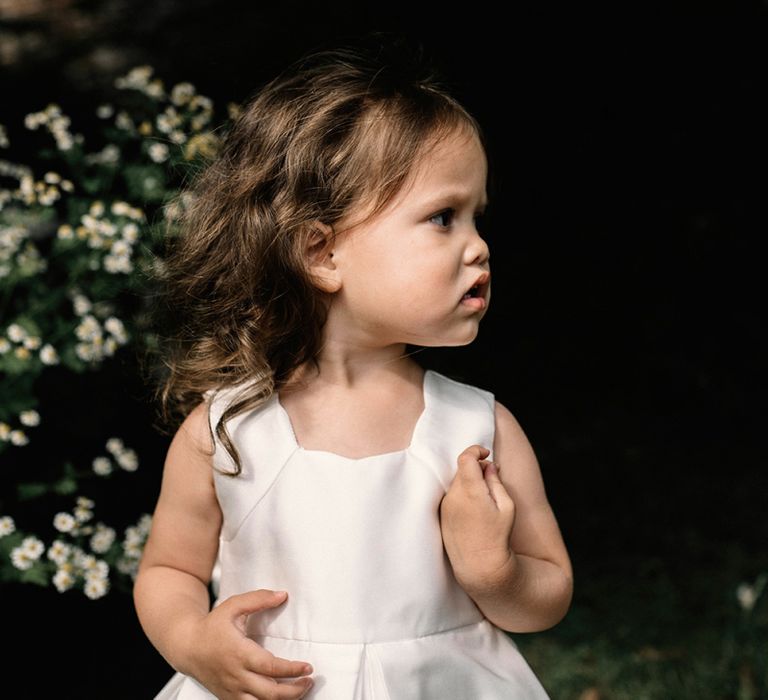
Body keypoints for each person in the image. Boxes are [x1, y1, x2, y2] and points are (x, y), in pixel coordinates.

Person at [134, 33, 573, 700]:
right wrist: (193, 643)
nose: (479, 247)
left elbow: (547, 594)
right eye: (442, 218)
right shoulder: (225, 432)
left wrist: (494, 573)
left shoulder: (477, 431)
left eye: (477, 218)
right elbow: (168, 568)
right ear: (321, 254)